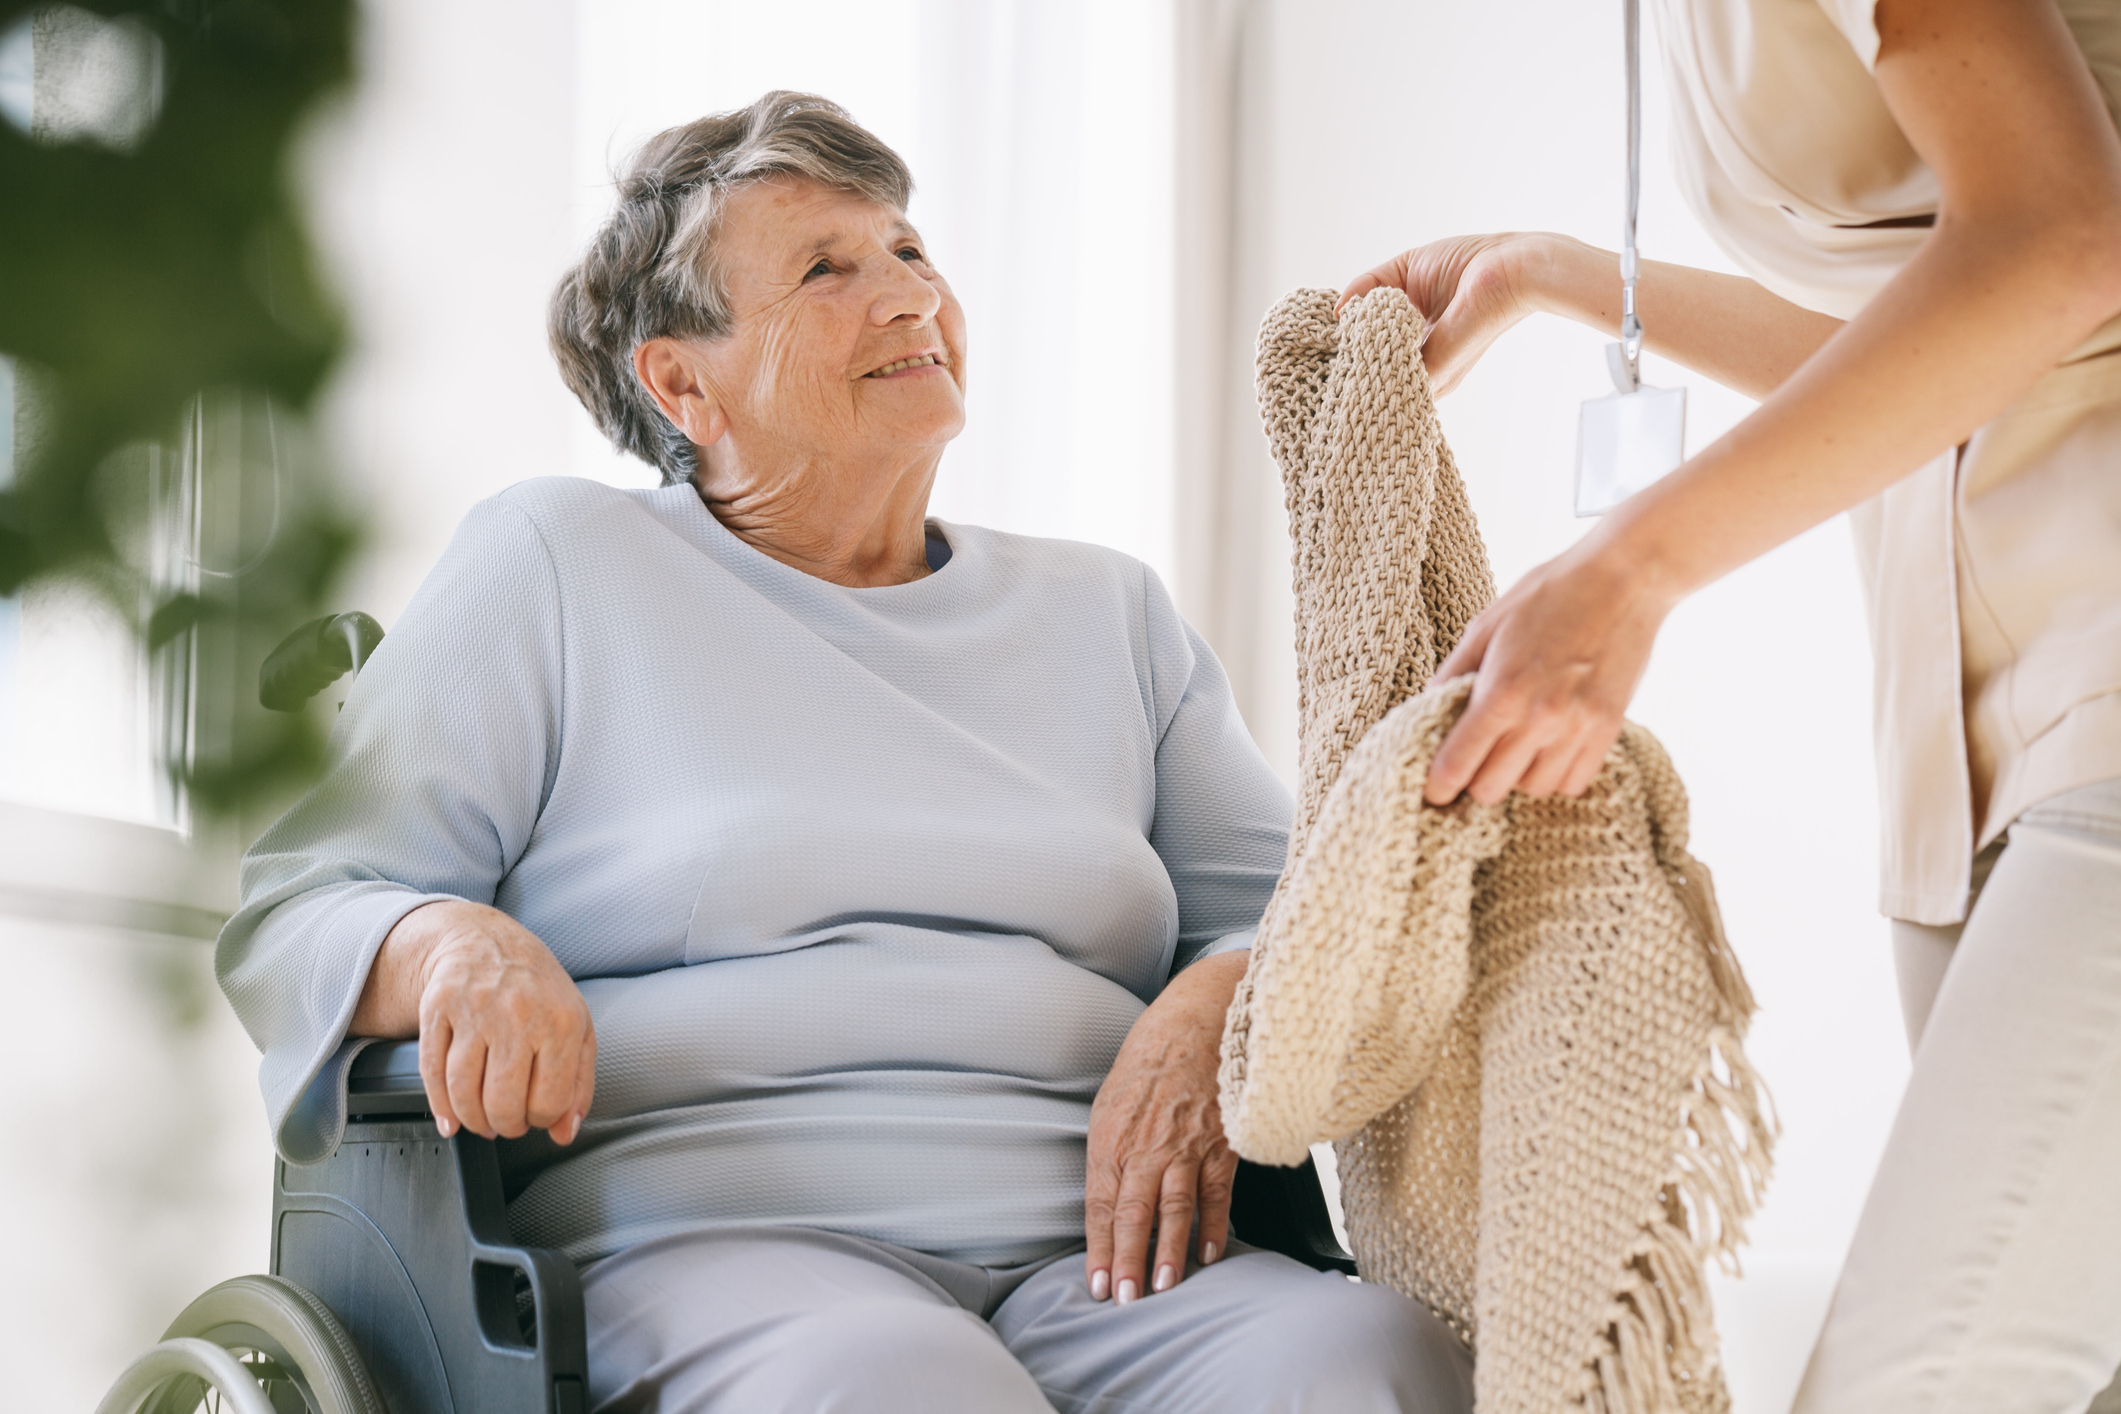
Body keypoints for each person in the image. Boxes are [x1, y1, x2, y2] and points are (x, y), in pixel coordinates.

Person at [217, 92, 1471, 1413]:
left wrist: (1199, 1013)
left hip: (1106, 1252)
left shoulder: (1105, 612)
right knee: (901, 1382)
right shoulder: (560, 565)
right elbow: (296, 911)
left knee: (1369, 1358)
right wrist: (444, 943)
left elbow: (1295, 919)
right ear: (681, 381)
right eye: (828, 269)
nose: (906, 297)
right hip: (715, 1246)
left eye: (910, 252)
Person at [1342, 0, 2121, 1408]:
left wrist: (1632, 566)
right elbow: (1936, 341)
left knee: (1925, 1378)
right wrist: (1553, 275)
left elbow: (2061, 250)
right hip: (1973, 750)